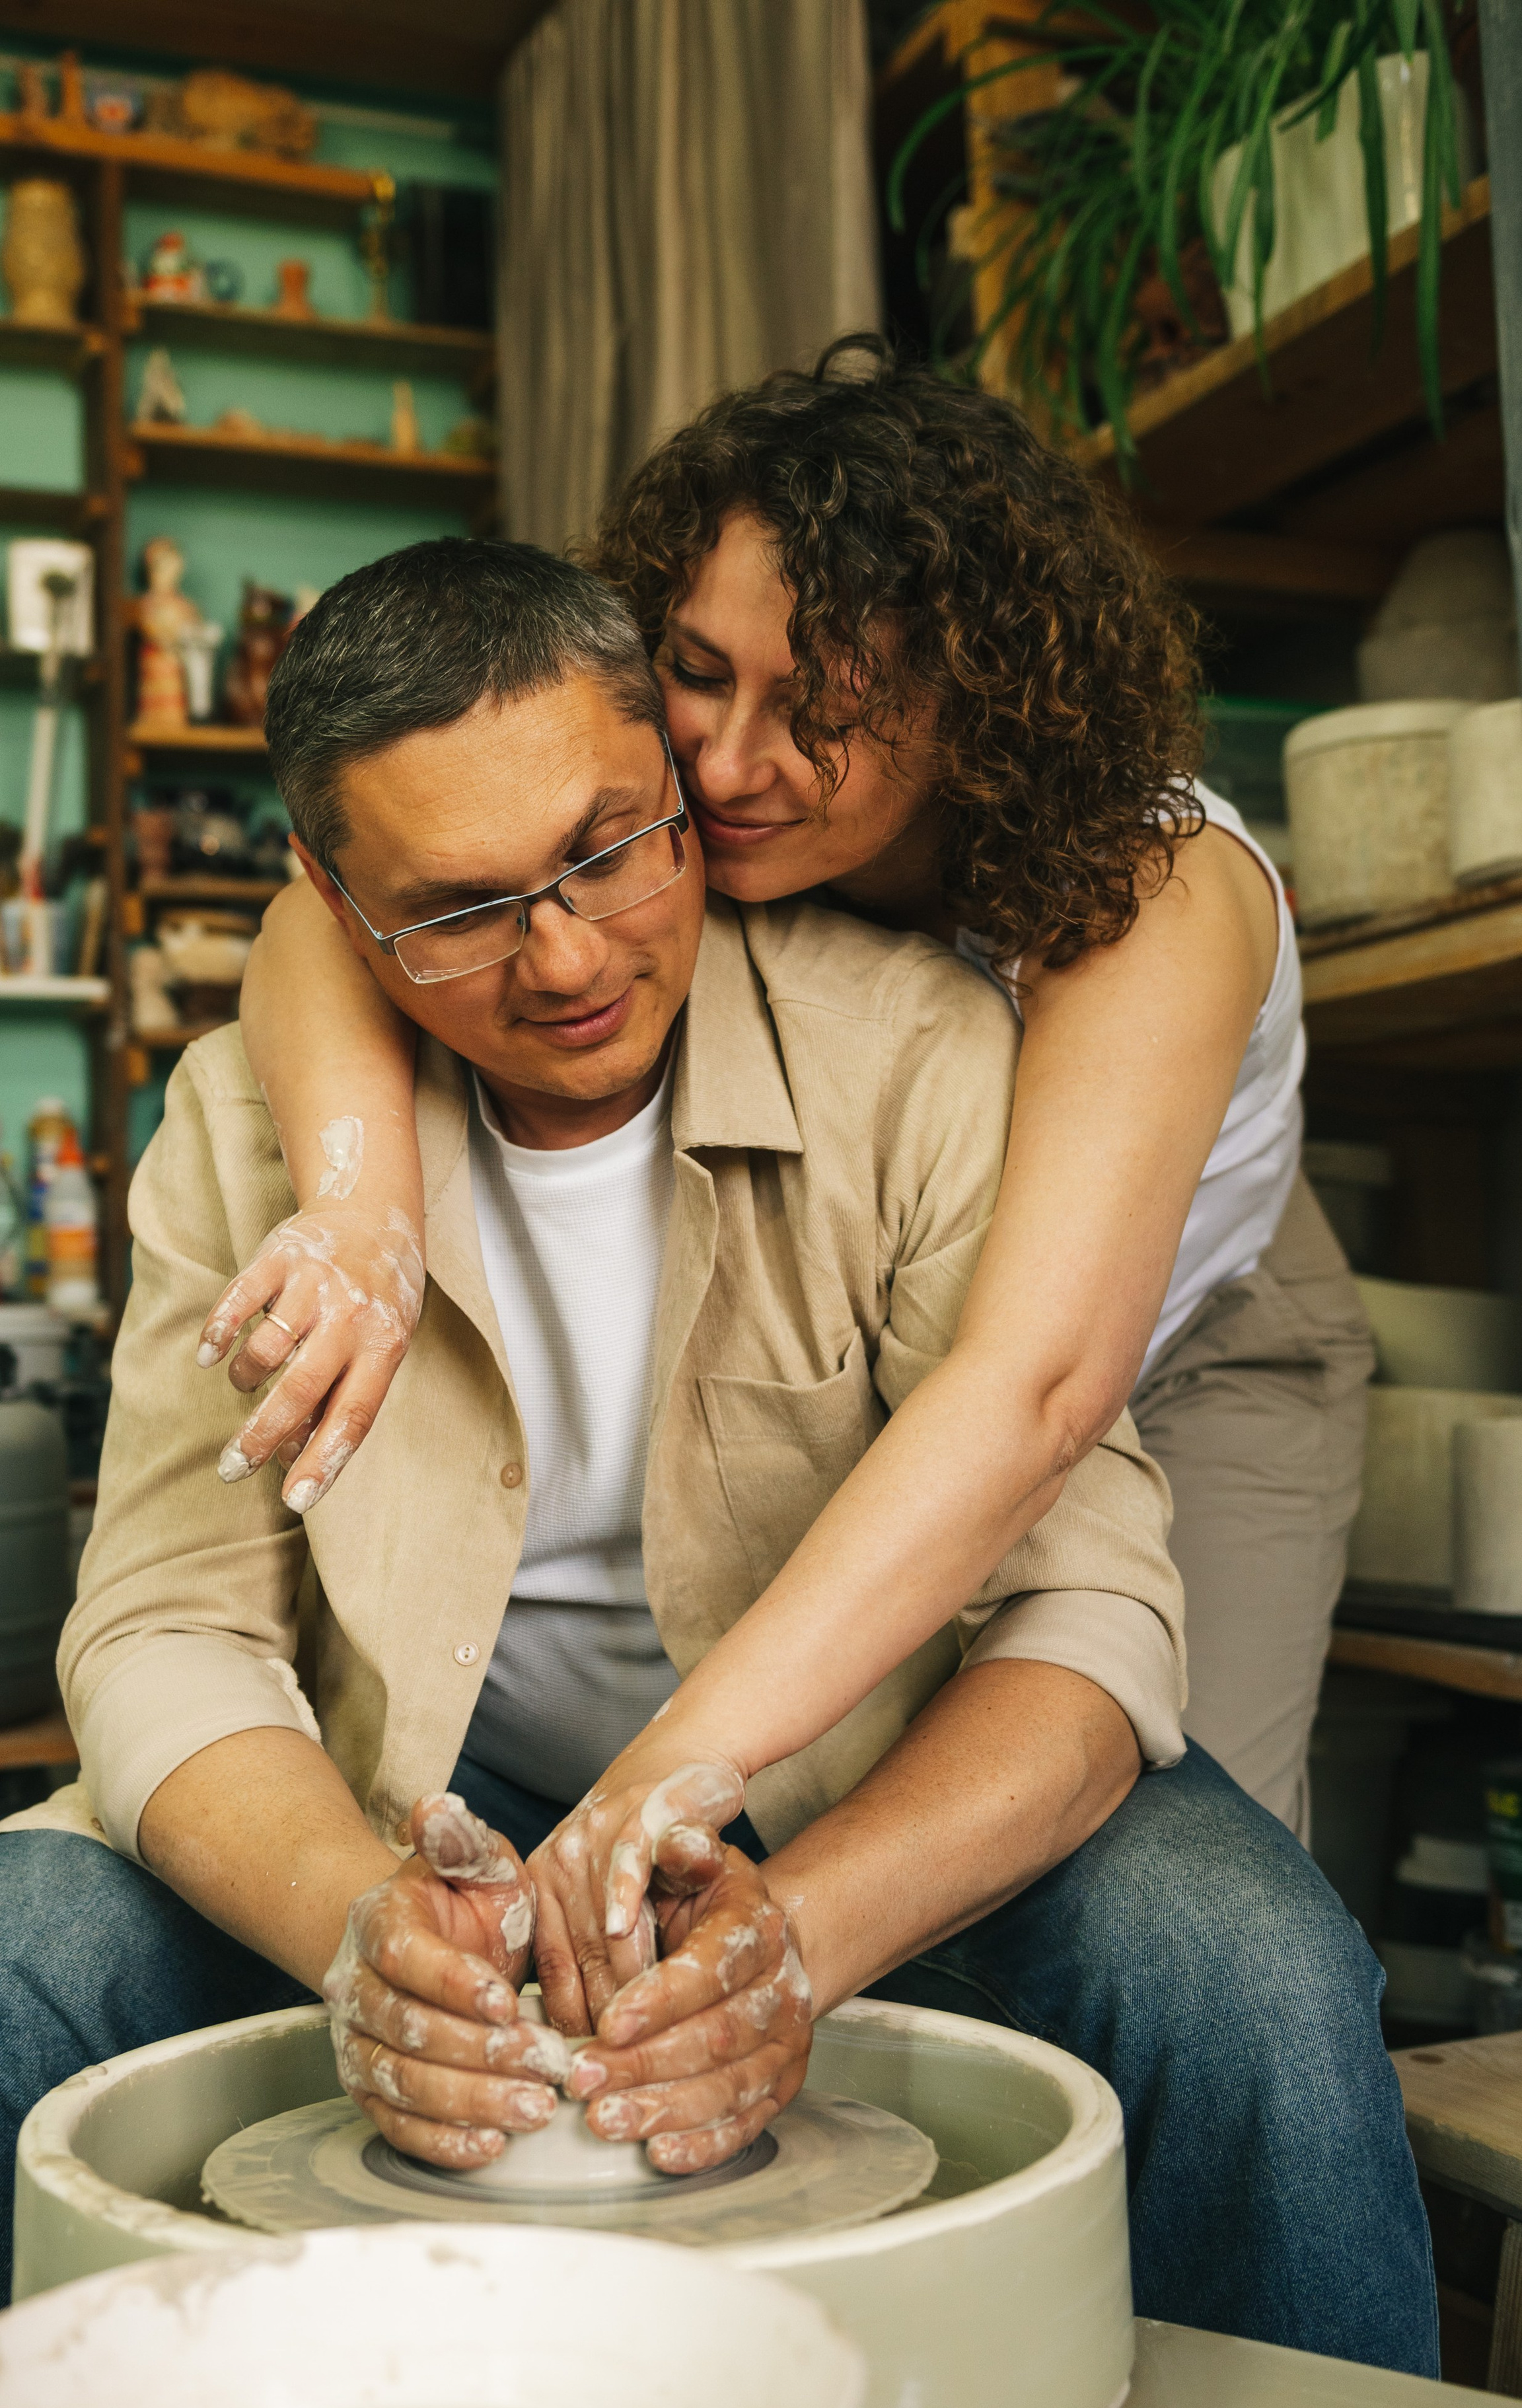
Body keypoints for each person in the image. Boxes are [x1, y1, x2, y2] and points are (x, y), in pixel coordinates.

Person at [0, 543, 1430, 2408]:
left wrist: (808, 1920)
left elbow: (1087, 1607)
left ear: (683, 787)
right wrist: (358, 1929)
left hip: (866, 1755)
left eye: (611, 852)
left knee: (1250, 1956)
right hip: (423, 1793)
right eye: (460, 912)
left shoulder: (919, 1049)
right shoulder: (256, 1124)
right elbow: (161, 1624)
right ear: (331, 909)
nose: (569, 957)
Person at [201, 347, 1370, 1999]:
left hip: (1172, 1344)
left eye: (819, 708)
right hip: (896, 1335)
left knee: (1189, 1893)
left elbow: (1035, 1388)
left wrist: (649, 1786)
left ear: (974, 693)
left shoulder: (1151, 888)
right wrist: (363, 1205)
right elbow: (328, 915)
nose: (731, 762)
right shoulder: (663, 827)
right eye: (696, 671)